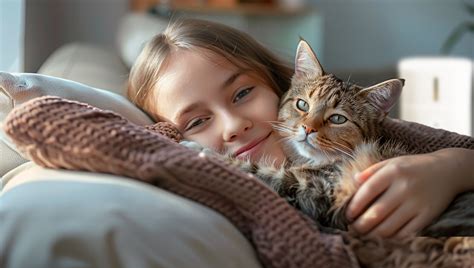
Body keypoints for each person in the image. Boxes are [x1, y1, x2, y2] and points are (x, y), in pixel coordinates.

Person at [127, 18, 474, 239]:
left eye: (243, 93)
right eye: (197, 121)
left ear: (276, 84)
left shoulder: (382, 135)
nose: (234, 125)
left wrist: (449, 167)